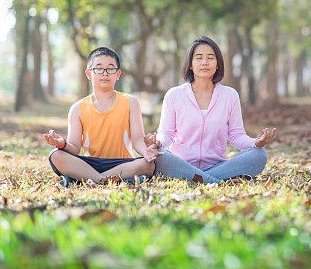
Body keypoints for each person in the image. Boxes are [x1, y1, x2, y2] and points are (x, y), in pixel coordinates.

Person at [154, 36, 276, 183]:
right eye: (199, 58)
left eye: (210, 58)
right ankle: (215, 182)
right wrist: (157, 143)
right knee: (159, 155)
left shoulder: (230, 95)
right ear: (191, 64)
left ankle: (200, 179)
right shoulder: (174, 95)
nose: (205, 62)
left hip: (218, 165)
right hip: (182, 164)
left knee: (259, 155)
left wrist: (256, 143)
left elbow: (236, 136)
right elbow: (166, 134)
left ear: (218, 64)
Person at [43, 47, 162, 186]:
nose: (105, 73)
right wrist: (61, 143)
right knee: (55, 155)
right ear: (89, 73)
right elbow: (74, 148)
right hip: (90, 164)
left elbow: (137, 140)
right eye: (99, 68)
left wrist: (145, 152)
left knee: (148, 165)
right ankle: (110, 180)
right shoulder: (77, 108)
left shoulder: (130, 102)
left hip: (122, 164)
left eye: (110, 68)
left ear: (118, 74)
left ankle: (86, 180)